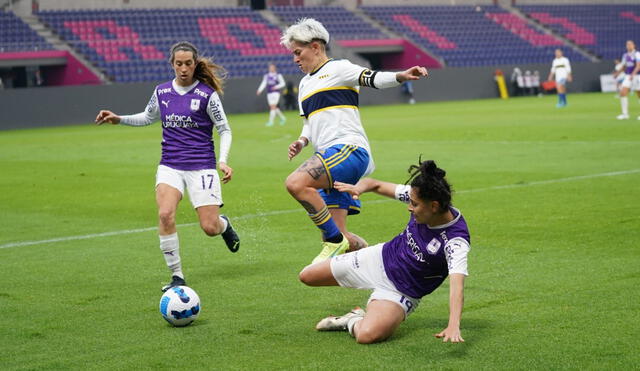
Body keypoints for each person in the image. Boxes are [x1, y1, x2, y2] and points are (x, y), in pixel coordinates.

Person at [95, 41, 240, 292]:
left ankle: (223, 224)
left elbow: (224, 130)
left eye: (188, 64)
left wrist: (223, 160)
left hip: (201, 167)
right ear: (172, 65)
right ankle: (177, 276)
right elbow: (147, 117)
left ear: (195, 65)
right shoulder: (162, 92)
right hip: (170, 165)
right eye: (178, 64)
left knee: (209, 227)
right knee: (165, 214)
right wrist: (119, 119)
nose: (183, 69)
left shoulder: (207, 95)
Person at [281, 18, 428, 264]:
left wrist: (401, 75)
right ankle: (375, 262)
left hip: (348, 150)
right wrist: (302, 141)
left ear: (316, 47)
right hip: (329, 157)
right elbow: (309, 121)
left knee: (295, 183)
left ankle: (334, 241)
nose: (295, 59)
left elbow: (373, 78)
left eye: (298, 52)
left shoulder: (339, 68)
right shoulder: (305, 84)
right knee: (344, 237)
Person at [298, 159, 471, 344]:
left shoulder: (455, 241)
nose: (410, 207)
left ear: (434, 206)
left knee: (366, 336)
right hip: (379, 258)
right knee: (307, 276)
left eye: (414, 204)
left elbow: (457, 286)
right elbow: (375, 184)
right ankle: (359, 248)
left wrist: (453, 324)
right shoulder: (420, 196)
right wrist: (358, 188)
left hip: (401, 291)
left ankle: (352, 319)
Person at [614, 40, 640, 120]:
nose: (628, 46)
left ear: (634, 45)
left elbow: (638, 66)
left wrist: (633, 74)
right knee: (623, 93)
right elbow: (624, 66)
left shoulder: (637, 54)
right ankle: (625, 114)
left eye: (630, 44)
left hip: (637, 76)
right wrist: (617, 73)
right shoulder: (625, 55)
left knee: (639, 94)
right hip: (628, 76)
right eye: (627, 44)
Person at [256, 63, 287, 127]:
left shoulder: (278, 75)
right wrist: (259, 90)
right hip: (269, 93)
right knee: (273, 107)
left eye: (272, 67)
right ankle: (283, 118)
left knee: (273, 107)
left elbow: (283, 83)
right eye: (270, 67)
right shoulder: (266, 76)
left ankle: (271, 122)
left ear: (275, 68)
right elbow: (263, 83)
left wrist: (276, 87)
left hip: (276, 93)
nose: (271, 68)